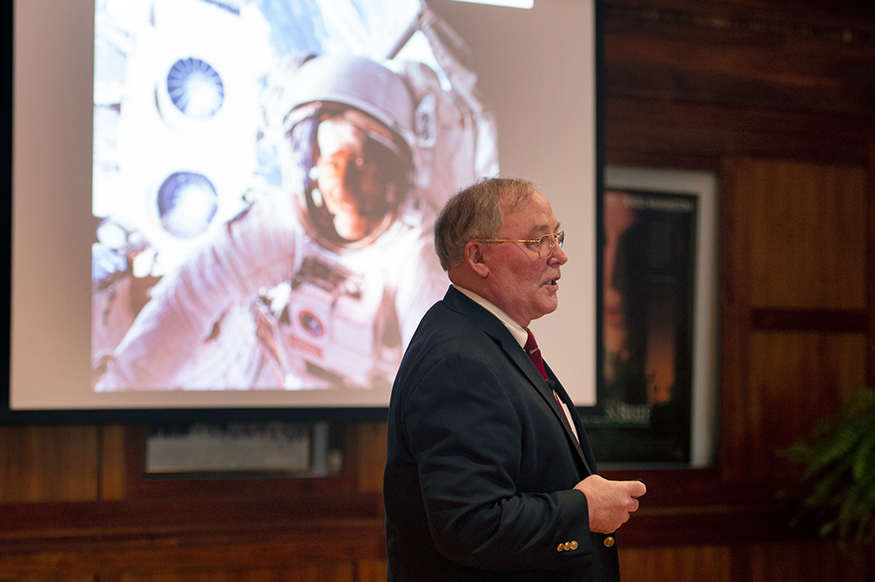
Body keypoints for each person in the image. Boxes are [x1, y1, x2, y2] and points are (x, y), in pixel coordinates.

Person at [95, 53, 493, 391]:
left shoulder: (421, 256)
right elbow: (186, 304)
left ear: (401, 170)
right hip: (278, 372)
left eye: (355, 162)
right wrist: (116, 402)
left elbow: (444, 371)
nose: (333, 184)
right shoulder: (281, 224)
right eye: (320, 162)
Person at [383, 177, 647, 581]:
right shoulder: (459, 360)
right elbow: (471, 525)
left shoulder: (484, 341)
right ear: (478, 257)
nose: (559, 255)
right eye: (538, 241)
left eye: (557, 237)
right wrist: (584, 510)